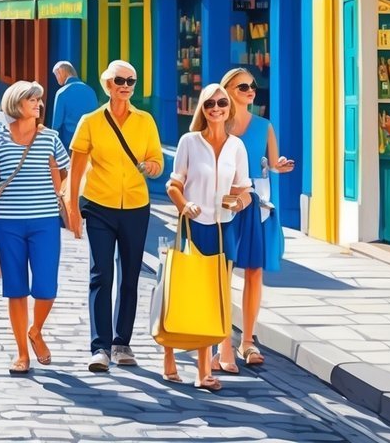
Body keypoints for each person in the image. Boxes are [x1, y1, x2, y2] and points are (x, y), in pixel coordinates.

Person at [66, 60, 164, 373]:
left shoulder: (145, 121)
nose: (125, 86)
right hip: (98, 204)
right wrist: (71, 207)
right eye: (119, 80)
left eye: (130, 81)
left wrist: (151, 167)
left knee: (130, 275)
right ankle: (100, 348)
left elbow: (157, 161)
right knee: (101, 274)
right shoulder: (91, 121)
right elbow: (76, 168)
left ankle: (122, 342)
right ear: (108, 84)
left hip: (136, 205)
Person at [0, 81, 70, 375]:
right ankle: (22, 353)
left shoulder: (50, 138)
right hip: (7, 224)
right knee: (16, 290)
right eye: (32, 100)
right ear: (16, 104)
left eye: (39, 100)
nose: (39, 104)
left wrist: (69, 207)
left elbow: (67, 173)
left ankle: (35, 330)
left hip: (45, 223)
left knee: (46, 288)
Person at [162, 83, 252, 391]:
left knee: (215, 299)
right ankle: (173, 358)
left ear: (229, 108)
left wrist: (239, 202)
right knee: (189, 294)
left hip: (224, 229)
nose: (216, 108)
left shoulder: (237, 147)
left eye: (222, 102)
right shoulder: (189, 142)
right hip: (195, 226)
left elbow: (244, 189)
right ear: (202, 108)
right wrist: (184, 204)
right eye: (210, 103)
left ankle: (203, 369)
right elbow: (173, 185)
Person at [219, 67, 294, 371]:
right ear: (227, 91)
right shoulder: (217, 122)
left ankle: (247, 340)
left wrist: (280, 166)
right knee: (221, 273)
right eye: (243, 87)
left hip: (254, 205)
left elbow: (272, 163)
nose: (251, 91)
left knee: (253, 272)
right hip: (223, 202)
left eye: (252, 86)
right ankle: (221, 340)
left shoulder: (264, 126)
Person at [52, 61, 98, 150]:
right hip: (90, 141)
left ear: (60, 72)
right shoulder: (91, 91)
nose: (57, 79)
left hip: (70, 143)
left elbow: (56, 126)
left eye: (56, 75)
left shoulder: (62, 92)